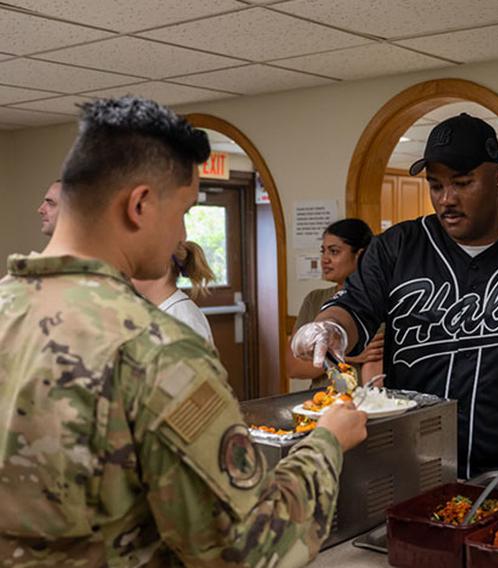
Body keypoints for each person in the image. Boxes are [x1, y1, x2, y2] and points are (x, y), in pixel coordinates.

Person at [0, 96, 367, 565]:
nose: (181, 235)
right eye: (184, 211)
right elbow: (252, 549)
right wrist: (328, 442)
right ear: (139, 205)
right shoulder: (155, 349)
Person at [292, 113, 498, 479]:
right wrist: (329, 329)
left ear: (497, 180)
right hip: (411, 462)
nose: (446, 199)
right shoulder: (398, 248)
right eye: (436, 185)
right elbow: (352, 307)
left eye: (462, 183)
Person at [286, 219, 384, 388]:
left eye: (334, 252)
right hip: (321, 403)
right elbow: (294, 367)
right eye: (323, 251)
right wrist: (345, 356)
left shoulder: (377, 301)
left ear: (360, 255)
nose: (325, 259)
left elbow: (376, 369)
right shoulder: (314, 299)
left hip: (363, 403)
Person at [133, 240, 216, 346]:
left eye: (136, 265)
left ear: (162, 267)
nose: (127, 271)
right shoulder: (156, 309)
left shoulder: (185, 320)